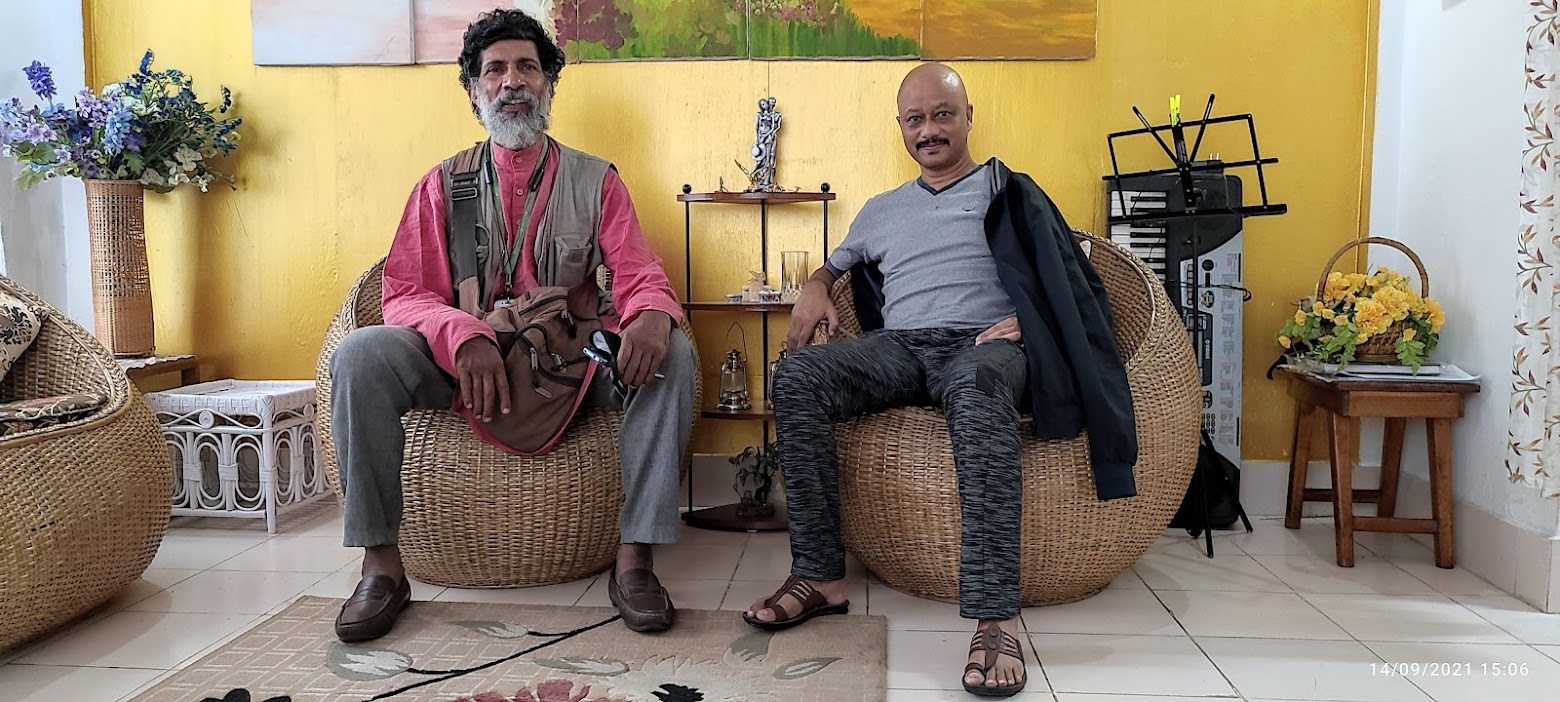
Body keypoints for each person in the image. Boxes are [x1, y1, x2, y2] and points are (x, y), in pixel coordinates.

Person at [743, 63, 1137, 698]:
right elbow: (834, 267)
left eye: (942, 114)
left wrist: (1029, 321)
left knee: (979, 391)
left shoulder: (1008, 189)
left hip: (983, 347)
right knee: (797, 376)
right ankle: (820, 576)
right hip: (899, 348)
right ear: (901, 128)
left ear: (968, 117)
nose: (929, 130)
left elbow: (1072, 280)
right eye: (915, 119)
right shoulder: (881, 210)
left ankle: (996, 617)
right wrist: (816, 284)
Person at [329, 8, 692, 642]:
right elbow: (405, 293)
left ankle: (635, 558)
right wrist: (462, 335)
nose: (513, 81)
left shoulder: (597, 180)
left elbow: (638, 271)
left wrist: (654, 316)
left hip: (573, 360)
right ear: (474, 92)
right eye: (495, 70)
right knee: (360, 355)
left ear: (549, 83)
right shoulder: (440, 186)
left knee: (674, 358)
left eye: (527, 67)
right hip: (465, 362)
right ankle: (381, 567)